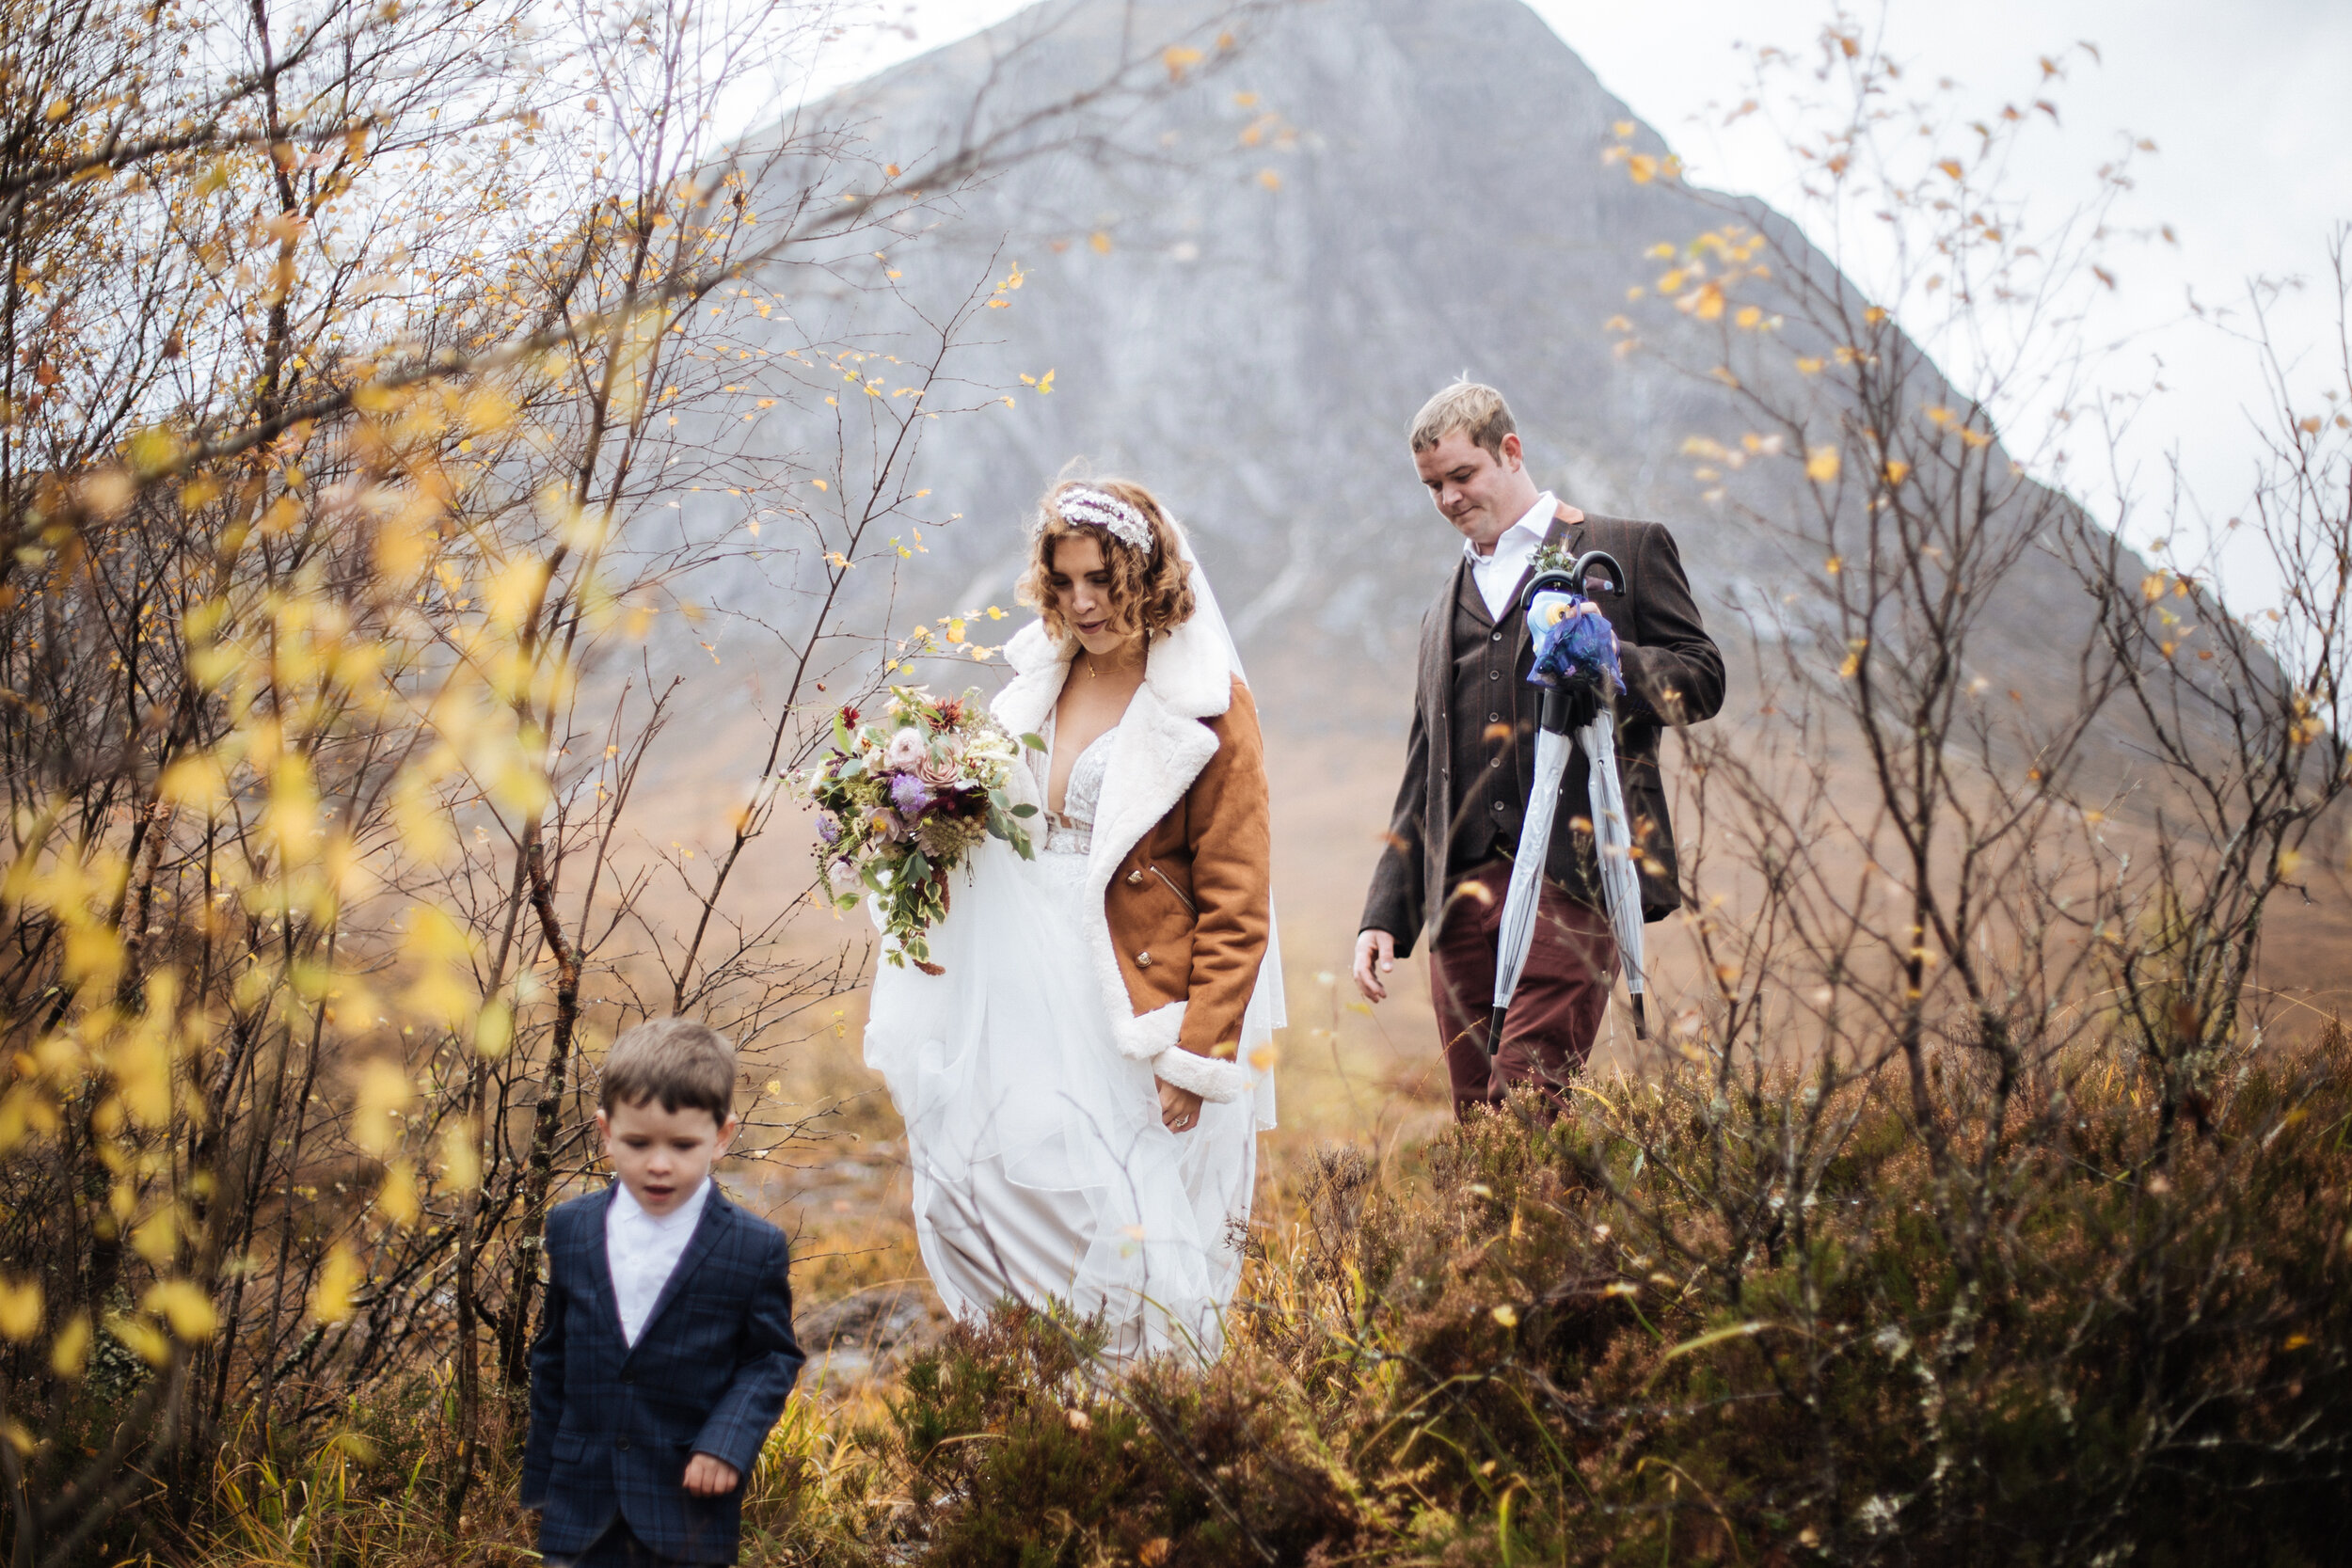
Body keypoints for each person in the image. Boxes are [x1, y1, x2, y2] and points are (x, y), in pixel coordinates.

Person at [863, 476, 1281, 1361]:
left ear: (1146, 573)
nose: (1081, 602)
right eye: (1063, 581)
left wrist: (1200, 1053)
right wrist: (918, 832)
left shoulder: (1206, 703)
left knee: (1124, 1216)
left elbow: (1240, 899)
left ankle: (1142, 1425)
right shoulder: (1033, 687)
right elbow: (993, 832)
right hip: (1016, 984)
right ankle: (1049, 1402)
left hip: (1128, 1000)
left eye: (1101, 578)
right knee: (978, 1182)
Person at [1354, 382, 1724, 1116]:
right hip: (1460, 899)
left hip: (1578, 874)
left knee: (1525, 1105)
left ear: (1511, 451)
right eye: (1433, 486)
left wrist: (1611, 657)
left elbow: (1703, 679)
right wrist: (1384, 914)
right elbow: (1425, 771)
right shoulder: (1440, 612)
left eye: (1463, 476)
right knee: (1478, 1118)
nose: (1450, 498)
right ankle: (1541, 1233)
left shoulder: (1624, 547)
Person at [522, 1018, 804, 1567]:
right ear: (605, 1131)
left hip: (686, 1508)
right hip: (579, 1508)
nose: (658, 1163)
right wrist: (541, 1482)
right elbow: (553, 1355)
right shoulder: (571, 1228)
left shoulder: (752, 1246)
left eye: (682, 1145)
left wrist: (727, 1443)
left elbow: (771, 1358)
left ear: (721, 1136)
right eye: (636, 1142)